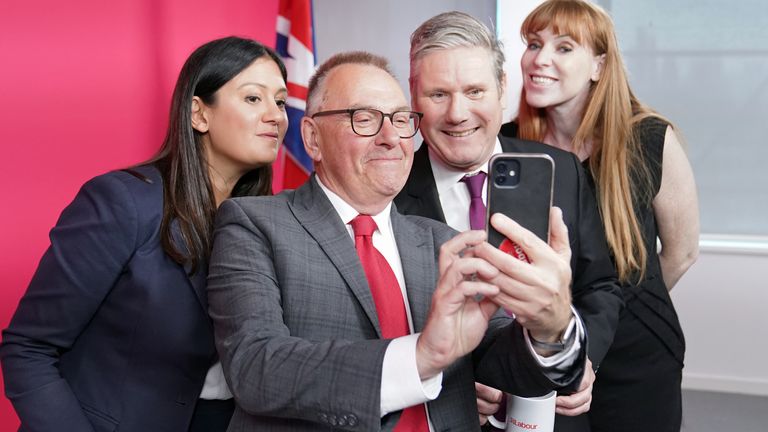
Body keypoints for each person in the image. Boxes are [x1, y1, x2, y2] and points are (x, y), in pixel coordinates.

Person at [207, 51, 587, 432]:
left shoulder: (447, 244)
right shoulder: (254, 223)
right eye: (366, 119)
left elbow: (514, 369)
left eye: (402, 120)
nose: (392, 138)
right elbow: (255, 368)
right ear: (312, 138)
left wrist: (550, 328)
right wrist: (421, 357)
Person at [0, 36, 288, 432]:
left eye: (281, 101)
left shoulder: (269, 224)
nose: (276, 115)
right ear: (198, 114)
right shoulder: (123, 201)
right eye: (254, 98)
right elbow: (27, 349)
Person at [395, 11, 623, 429]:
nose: (458, 113)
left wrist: (575, 355)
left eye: (475, 90)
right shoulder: (389, 190)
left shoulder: (561, 171)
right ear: (413, 96)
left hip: (550, 408)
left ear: (502, 88)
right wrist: (453, 379)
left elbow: (600, 286)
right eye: (438, 94)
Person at [499, 1, 699, 431]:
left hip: (638, 356)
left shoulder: (650, 138)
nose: (540, 59)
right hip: (542, 353)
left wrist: (617, 315)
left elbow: (681, 254)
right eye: (534, 44)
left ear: (598, 65)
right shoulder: (507, 146)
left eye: (564, 47)